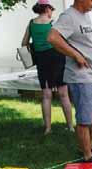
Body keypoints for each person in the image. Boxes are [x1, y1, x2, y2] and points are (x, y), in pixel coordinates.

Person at [48, 0, 92, 162]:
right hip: (81, 77)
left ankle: (87, 145)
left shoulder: (84, 16)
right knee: (85, 119)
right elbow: (52, 37)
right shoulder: (69, 16)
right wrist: (75, 55)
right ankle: (87, 156)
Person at [21, 0, 74, 135]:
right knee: (63, 93)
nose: (52, 12)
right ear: (47, 9)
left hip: (41, 60)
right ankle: (70, 126)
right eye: (51, 9)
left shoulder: (31, 23)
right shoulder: (53, 23)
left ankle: (48, 128)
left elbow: (24, 43)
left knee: (46, 94)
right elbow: (63, 40)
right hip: (57, 58)